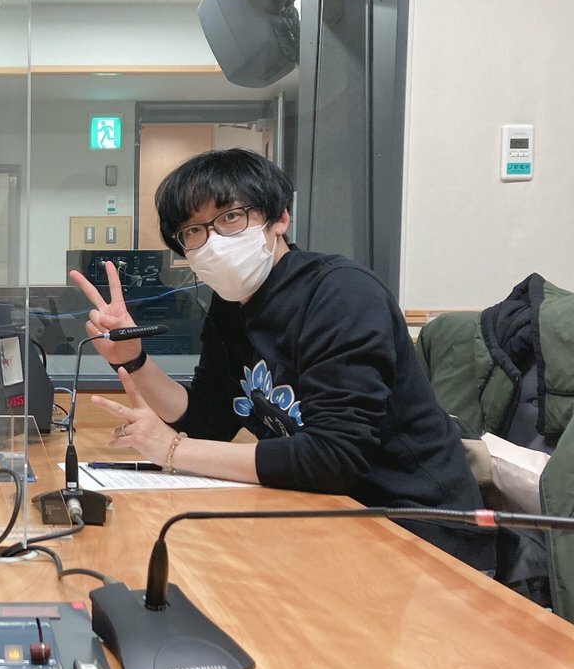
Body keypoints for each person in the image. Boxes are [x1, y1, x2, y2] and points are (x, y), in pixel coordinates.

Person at [71, 148, 494, 569]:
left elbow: (334, 457)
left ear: (280, 219)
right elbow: (209, 421)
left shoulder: (341, 294)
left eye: (231, 217)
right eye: (194, 231)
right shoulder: (230, 306)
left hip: (421, 532)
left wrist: (172, 450)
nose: (213, 241)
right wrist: (134, 360)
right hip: (325, 516)